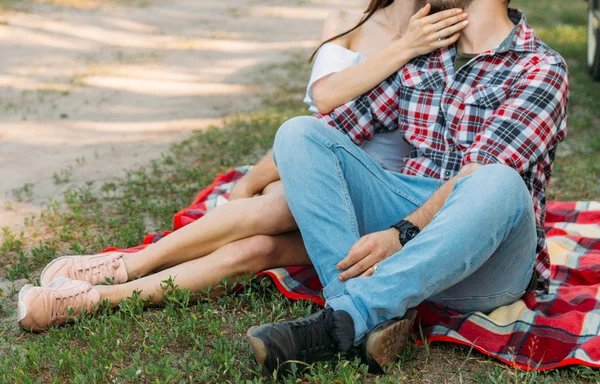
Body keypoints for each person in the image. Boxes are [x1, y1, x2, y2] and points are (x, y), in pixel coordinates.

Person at [16, 1, 468, 337]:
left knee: (257, 242)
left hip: (374, 187)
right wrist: (253, 179)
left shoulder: (439, 29)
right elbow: (327, 107)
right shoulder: (348, 18)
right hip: (311, 158)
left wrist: (413, 43)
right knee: (260, 225)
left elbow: (345, 116)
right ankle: (122, 271)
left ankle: (99, 295)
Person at [247, 0, 569, 376]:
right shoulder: (426, 56)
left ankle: (347, 316)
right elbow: (337, 125)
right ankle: (353, 310)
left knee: (497, 180)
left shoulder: (541, 67)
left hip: (485, 256)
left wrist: (402, 234)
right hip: (406, 220)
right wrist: (246, 185)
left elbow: (476, 173)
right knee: (299, 132)